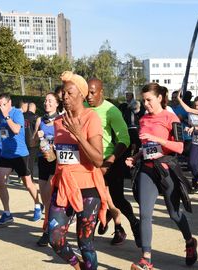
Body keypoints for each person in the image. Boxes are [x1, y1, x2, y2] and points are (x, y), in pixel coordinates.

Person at [126, 83, 197, 270]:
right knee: (144, 214)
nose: (146, 103)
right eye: (144, 100)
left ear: (159, 98)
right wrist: (135, 157)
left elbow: (180, 147)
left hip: (166, 170)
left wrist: (158, 139)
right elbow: (145, 147)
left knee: (174, 214)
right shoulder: (143, 119)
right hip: (147, 170)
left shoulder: (170, 117)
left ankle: (190, 242)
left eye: (149, 100)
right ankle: (146, 259)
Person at [48, 71, 107, 270]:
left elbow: (98, 160)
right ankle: (78, 266)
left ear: (81, 94)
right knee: (55, 237)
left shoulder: (91, 117)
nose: (64, 97)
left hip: (88, 187)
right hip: (65, 185)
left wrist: (79, 134)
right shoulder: (58, 122)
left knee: (85, 243)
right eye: (63, 93)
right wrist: (52, 155)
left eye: (70, 93)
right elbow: (65, 155)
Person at [87, 78, 140, 247]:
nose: (88, 96)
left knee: (117, 199)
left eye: (92, 92)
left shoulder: (111, 111)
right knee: (90, 200)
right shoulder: (83, 108)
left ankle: (134, 222)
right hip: (89, 163)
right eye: (86, 92)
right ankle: (89, 238)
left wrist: (108, 162)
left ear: (101, 92)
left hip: (110, 162)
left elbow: (124, 139)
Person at [0, 93, 42, 226]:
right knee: (0, 182)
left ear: (9, 103)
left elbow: (16, 130)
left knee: (27, 183)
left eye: (3, 104)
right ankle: (7, 213)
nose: (1, 107)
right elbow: (3, 133)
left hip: (20, 154)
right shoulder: (0, 115)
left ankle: (38, 205)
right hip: (6, 155)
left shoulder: (16, 113)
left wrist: (7, 116)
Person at [34, 93, 59, 246]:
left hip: (55, 160)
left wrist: (53, 143)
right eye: (45, 100)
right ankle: (50, 226)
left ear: (57, 104)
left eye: (50, 101)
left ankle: (47, 231)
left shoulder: (61, 120)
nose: (47, 103)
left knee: (50, 196)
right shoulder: (40, 120)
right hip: (42, 160)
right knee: (44, 197)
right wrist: (37, 136)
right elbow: (32, 141)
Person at [177, 93, 198, 192]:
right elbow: (187, 110)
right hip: (196, 141)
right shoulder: (191, 112)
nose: (197, 107)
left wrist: (194, 128)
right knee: (192, 163)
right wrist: (179, 99)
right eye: (195, 105)